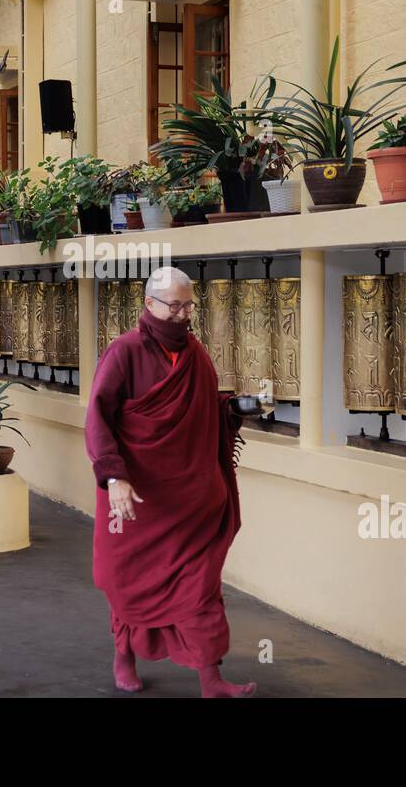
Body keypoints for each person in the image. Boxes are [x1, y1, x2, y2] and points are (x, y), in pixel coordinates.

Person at [85, 266, 256, 698]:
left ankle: (211, 679)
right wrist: (113, 477)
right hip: (136, 498)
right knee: (127, 581)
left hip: (191, 501)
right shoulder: (123, 352)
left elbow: (206, 411)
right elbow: (98, 418)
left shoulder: (195, 354)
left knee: (200, 588)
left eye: (188, 305)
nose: (183, 315)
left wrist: (237, 410)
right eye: (174, 306)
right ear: (150, 305)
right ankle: (124, 655)